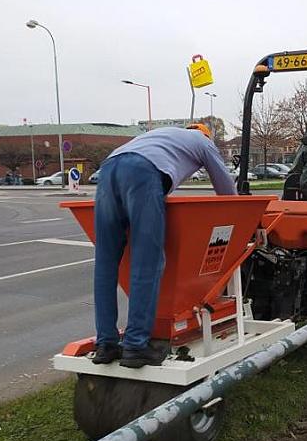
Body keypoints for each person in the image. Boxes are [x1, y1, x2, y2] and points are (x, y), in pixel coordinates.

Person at [92, 124, 236, 368]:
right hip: (142, 171)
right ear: (206, 135)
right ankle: (136, 345)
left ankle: (105, 344)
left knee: (105, 263)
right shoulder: (202, 141)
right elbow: (225, 187)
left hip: (108, 169)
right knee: (146, 262)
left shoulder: (164, 135)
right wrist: (242, 217)